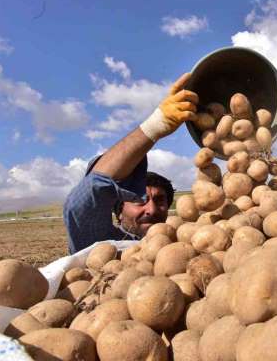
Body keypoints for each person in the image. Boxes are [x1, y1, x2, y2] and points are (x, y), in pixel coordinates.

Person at [63, 73, 199, 253]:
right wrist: (155, 125)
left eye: (159, 201)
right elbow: (83, 202)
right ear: (119, 213)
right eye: (140, 201)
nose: (151, 210)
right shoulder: (102, 245)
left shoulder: (183, 245)